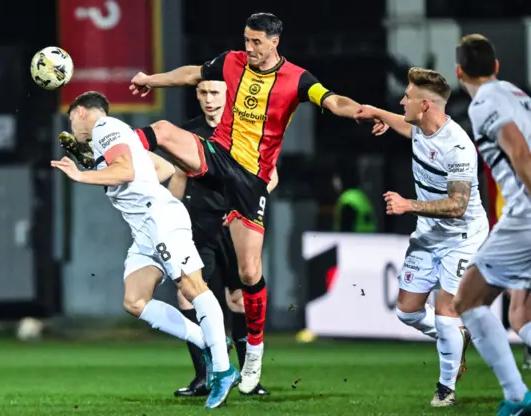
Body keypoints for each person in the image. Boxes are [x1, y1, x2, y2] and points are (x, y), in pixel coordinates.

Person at [128, 12, 382, 393]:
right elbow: (192, 73)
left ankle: (254, 357)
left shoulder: (297, 79)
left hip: (251, 180)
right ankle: (114, 146)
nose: (249, 48)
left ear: (275, 41)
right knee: (163, 131)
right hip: (218, 155)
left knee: (249, 274)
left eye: (257, 42)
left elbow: (331, 100)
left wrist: (360, 111)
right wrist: (152, 80)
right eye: (246, 40)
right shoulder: (231, 62)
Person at [51, 91, 239, 409]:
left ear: (81, 112)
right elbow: (163, 168)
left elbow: (126, 171)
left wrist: (83, 175)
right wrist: (100, 164)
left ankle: (223, 370)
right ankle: (209, 340)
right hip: (145, 229)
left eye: (72, 119)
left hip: (158, 218)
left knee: (193, 287)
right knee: (135, 300)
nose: (73, 127)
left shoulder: (104, 127)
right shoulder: (112, 137)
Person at [355, 68, 488, 407]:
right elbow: (405, 126)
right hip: (429, 234)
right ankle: (456, 338)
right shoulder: (419, 127)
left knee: (445, 310)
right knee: (407, 311)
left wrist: (407, 205)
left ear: (425, 105)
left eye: (408, 98)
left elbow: (458, 205)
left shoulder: (458, 147)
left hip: (462, 236)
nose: (402, 101)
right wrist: (377, 112)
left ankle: (446, 389)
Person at [168, 80, 272, 397]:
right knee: (188, 295)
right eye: (203, 93)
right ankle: (204, 376)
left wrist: (248, 205)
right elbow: (179, 176)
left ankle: (249, 379)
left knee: (238, 299)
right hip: (198, 224)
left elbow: (271, 174)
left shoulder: (247, 130)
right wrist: (171, 220)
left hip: (236, 225)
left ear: (229, 96)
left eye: (215, 93)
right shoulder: (188, 133)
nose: (209, 99)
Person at [449, 34, 531, 416]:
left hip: (526, 215)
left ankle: (516, 398)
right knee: (522, 314)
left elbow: (519, 152)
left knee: (467, 299)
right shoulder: (516, 94)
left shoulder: (484, 102)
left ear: (458, 72)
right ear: (496, 67)